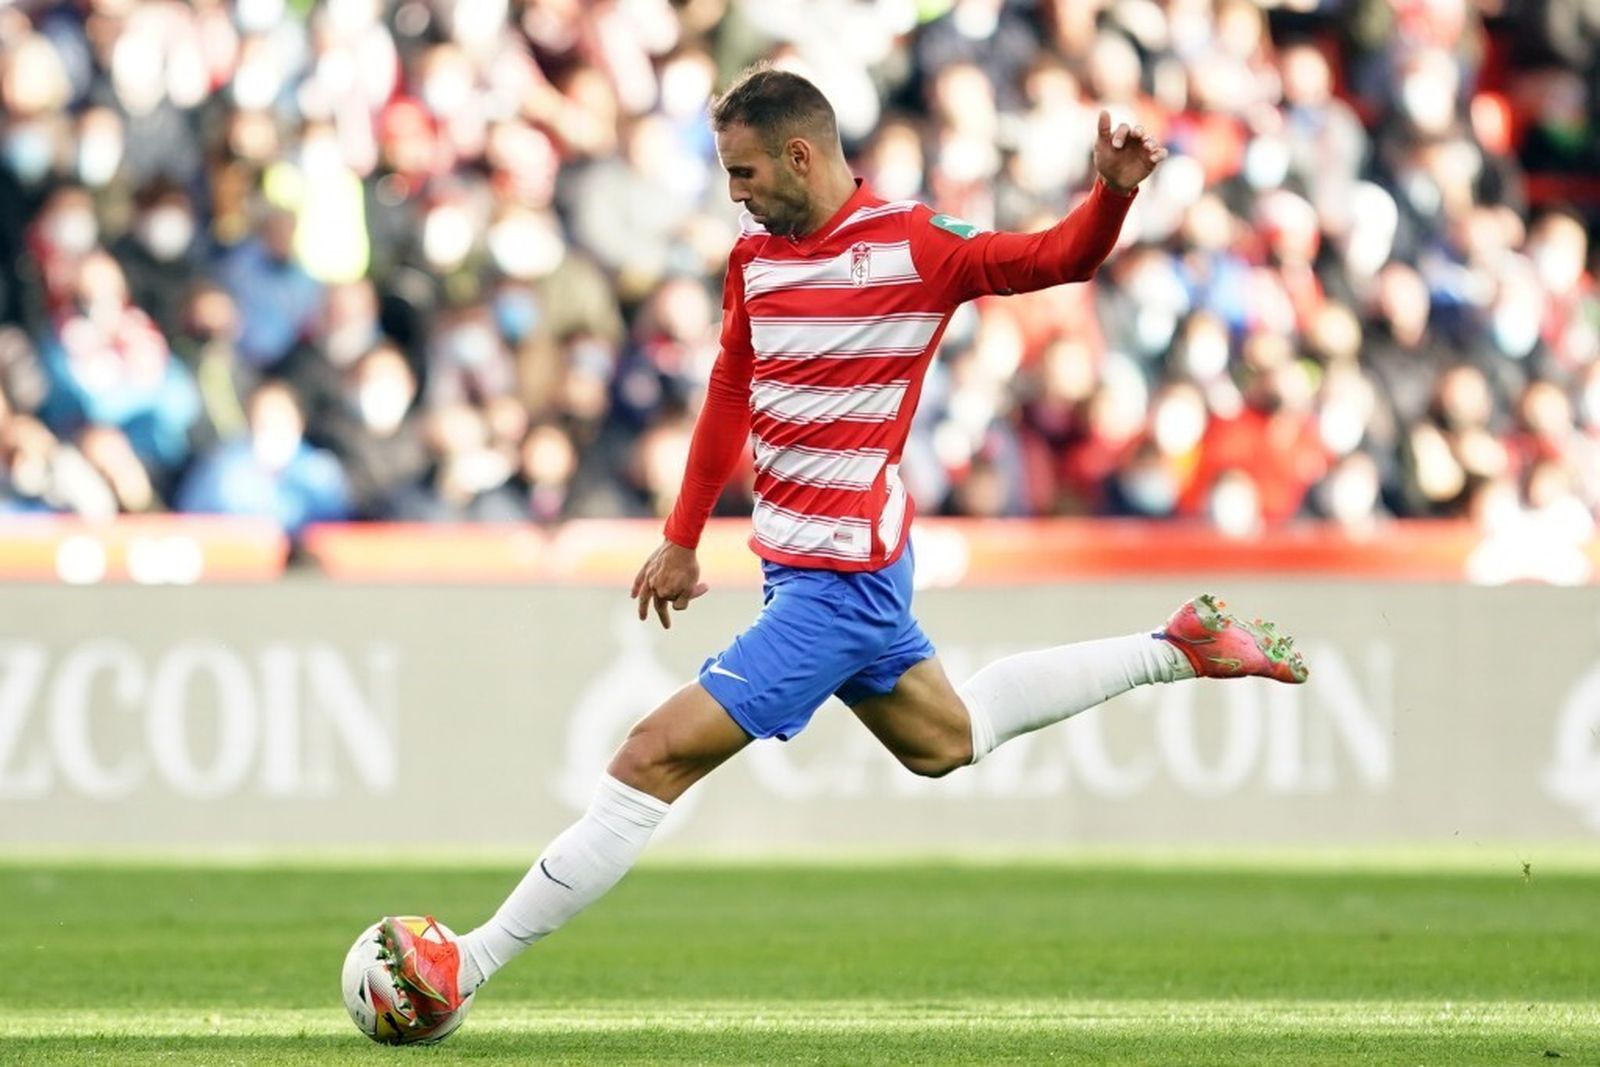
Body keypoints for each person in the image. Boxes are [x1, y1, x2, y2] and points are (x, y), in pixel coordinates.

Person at [375, 66, 1308, 1028]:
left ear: (799, 156)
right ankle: (1175, 647)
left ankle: (465, 964)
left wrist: (1110, 192)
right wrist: (683, 537)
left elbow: (1053, 259)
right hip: (804, 570)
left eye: (743, 172)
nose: (734, 193)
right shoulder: (754, 258)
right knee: (947, 741)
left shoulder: (914, 245)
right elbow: (730, 386)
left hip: (842, 581)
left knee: (649, 756)